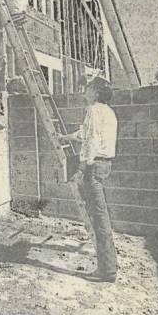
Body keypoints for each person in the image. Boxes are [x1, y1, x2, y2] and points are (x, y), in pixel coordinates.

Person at [59, 75, 118, 283]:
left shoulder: (93, 110)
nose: (85, 91)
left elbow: (92, 140)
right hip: (105, 166)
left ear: (95, 92)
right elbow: (85, 133)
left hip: (94, 167)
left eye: (88, 88)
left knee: (99, 219)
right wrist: (64, 138)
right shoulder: (108, 112)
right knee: (100, 215)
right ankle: (109, 265)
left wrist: (83, 168)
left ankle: (107, 271)